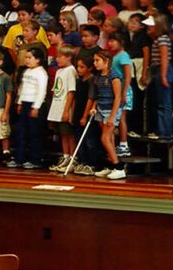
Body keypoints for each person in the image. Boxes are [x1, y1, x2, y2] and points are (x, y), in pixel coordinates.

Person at [82, 48, 126, 180]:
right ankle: (111, 165)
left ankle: (119, 167)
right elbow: (98, 96)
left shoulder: (114, 75)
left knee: (105, 138)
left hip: (111, 110)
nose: (95, 63)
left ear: (106, 61)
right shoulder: (98, 77)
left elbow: (118, 97)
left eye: (97, 60)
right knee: (109, 138)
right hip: (101, 108)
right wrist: (94, 107)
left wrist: (112, 116)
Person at [13, 45, 49, 171]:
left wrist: (36, 107)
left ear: (38, 60)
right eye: (26, 57)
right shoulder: (27, 71)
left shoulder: (41, 73)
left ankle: (35, 159)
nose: (27, 60)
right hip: (25, 103)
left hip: (35, 104)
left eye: (30, 57)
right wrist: (20, 102)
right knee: (21, 132)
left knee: (35, 133)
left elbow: (42, 91)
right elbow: (23, 88)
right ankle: (19, 158)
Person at [48, 43, 79, 170]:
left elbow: (71, 92)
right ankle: (65, 156)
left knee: (69, 134)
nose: (57, 59)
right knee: (62, 134)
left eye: (60, 56)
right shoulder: (59, 71)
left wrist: (67, 110)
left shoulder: (71, 71)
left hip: (65, 107)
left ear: (68, 57)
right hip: (57, 106)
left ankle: (73, 158)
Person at [146, 15, 173, 140]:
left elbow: (164, 58)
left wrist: (163, 75)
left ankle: (165, 132)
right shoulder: (157, 39)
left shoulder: (163, 39)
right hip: (157, 70)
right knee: (159, 102)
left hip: (162, 70)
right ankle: (161, 129)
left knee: (164, 103)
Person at [106, 32, 135, 158]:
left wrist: (123, 93)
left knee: (122, 118)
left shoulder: (123, 56)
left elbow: (128, 76)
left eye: (113, 41)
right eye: (109, 41)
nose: (110, 44)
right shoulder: (115, 56)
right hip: (116, 91)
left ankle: (124, 144)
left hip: (124, 91)